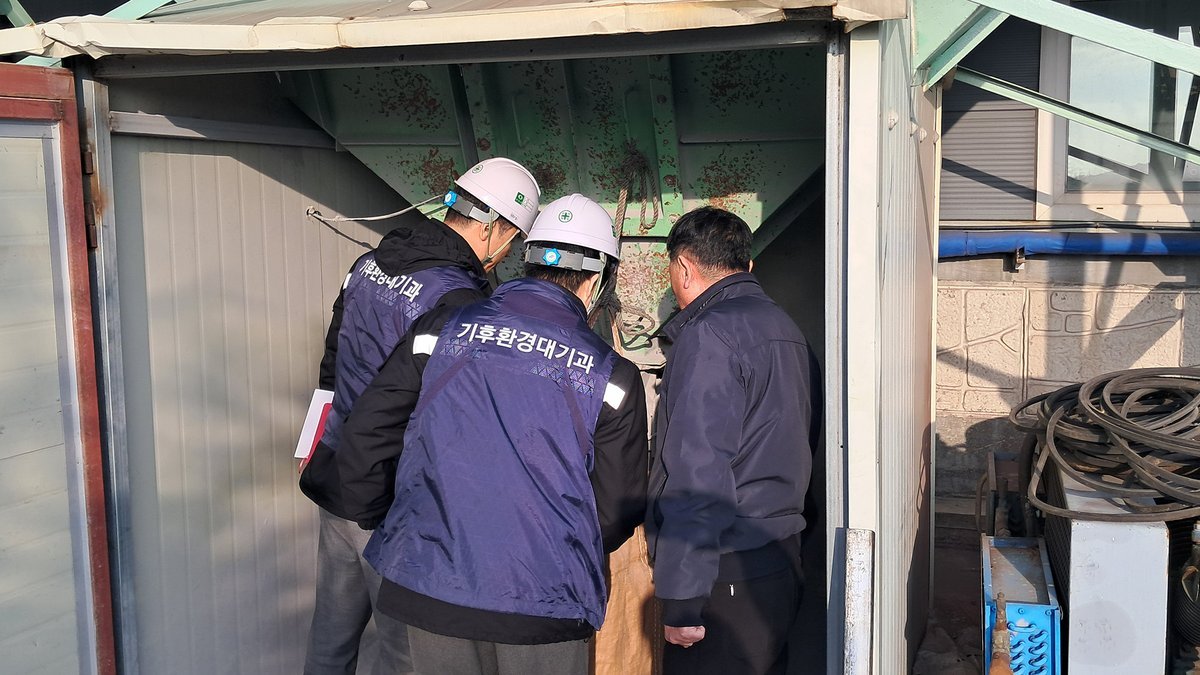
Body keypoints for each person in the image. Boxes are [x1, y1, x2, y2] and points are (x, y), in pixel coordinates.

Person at [334, 194, 648, 675]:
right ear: (596, 280)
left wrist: (393, 521)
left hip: (431, 584)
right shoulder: (613, 377)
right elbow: (618, 508)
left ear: (528, 259)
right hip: (543, 605)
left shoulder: (440, 328)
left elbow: (367, 433)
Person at [299, 157, 541, 675]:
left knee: (330, 639)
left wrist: (314, 447)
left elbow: (333, 361)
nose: (508, 253)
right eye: (513, 239)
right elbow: (454, 418)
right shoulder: (458, 300)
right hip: (393, 502)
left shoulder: (369, 263)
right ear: (493, 227)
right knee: (404, 653)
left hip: (336, 475)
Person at [645, 206, 821, 675]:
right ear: (748, 265)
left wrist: (683, 598)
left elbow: (697, 470)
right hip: (780, 558)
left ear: (684, 267)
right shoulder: (789, 332)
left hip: (725, 571)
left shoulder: (709, 337)